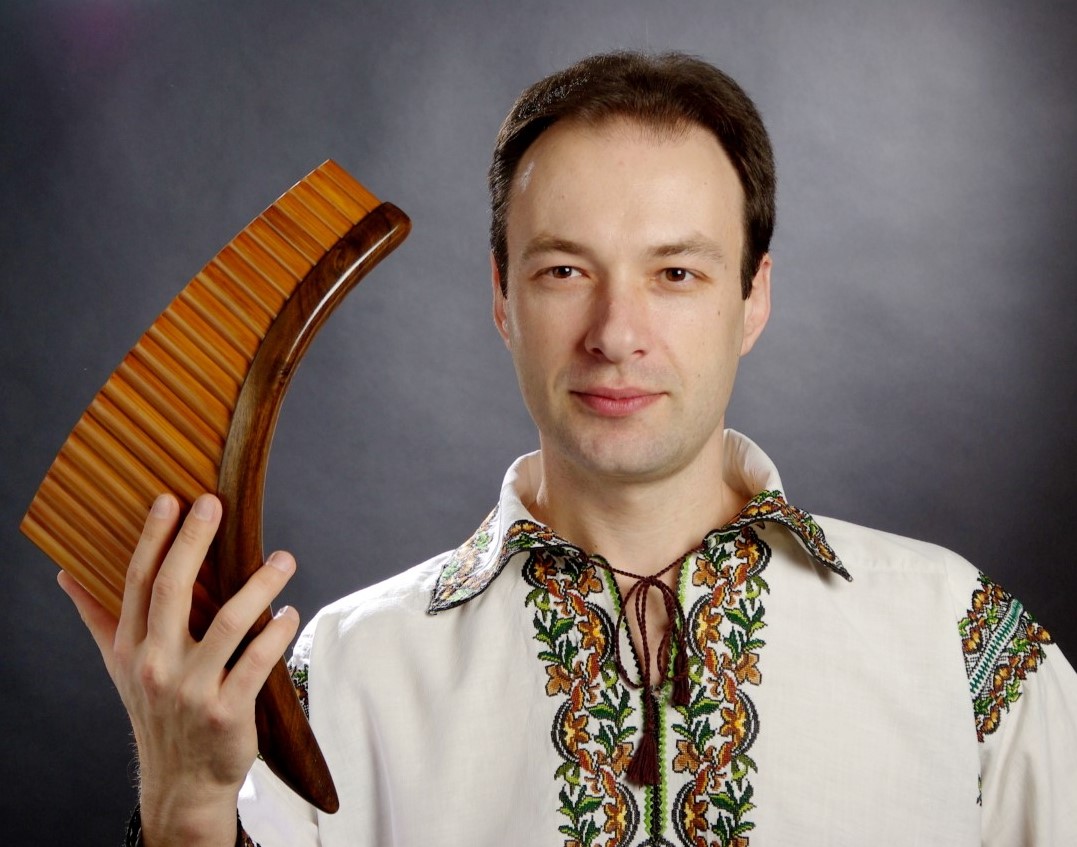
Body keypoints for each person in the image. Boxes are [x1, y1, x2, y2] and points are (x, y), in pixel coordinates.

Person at [59, 51, 1077, 846]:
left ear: (753, 296)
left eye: (676, 273)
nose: (616, 332)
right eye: (561, 271)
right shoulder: (335, 674)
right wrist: (188, 811)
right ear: (501, 296)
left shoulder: (963, 645)